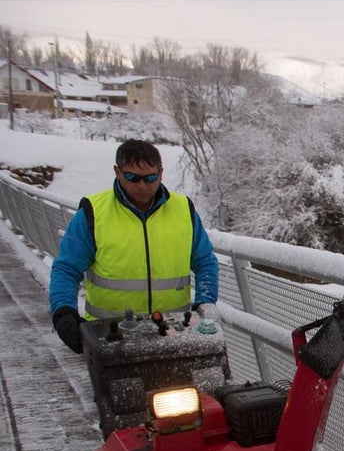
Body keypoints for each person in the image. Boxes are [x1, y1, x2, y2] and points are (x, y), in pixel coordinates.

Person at [49, 139, 219, 353]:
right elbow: (67, 268)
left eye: (150, 178)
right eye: (132, 177)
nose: (142, 186)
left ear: (161, 173)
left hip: (173, 332)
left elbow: (205, 262)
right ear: (117, 172)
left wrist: (205, 303)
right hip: (110, 336)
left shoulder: (183, 209)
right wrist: (64, 313)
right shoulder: (94, 212)